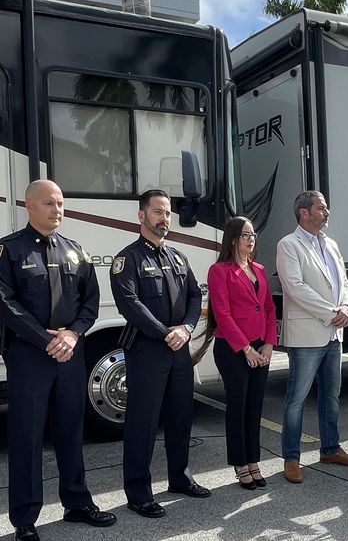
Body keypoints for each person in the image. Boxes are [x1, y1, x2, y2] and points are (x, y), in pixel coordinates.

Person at [0, 180, 116, 541]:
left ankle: (77, 502)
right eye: (49, 203)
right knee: (27, 437)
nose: (57, 210)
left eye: (61, 203)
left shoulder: (75, 251)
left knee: (70, 432)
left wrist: (73, 334)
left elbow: (90, 302)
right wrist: (45, 338)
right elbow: (4, 302)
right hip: (28, 357)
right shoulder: (9, 250)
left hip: (69, 355)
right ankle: (24, 518)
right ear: (29, 206)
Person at [111, 189, 209, 519]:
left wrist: (187, 328)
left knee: (181, 417)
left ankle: (180, 479)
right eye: (157, 212)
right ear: (142, 216)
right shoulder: (128, 259)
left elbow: (194, 295)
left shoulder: (178, 257)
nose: (164, 218)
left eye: (167, 213)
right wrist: (167, 333)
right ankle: (138, 493)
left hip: (179, 350)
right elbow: (130, 305)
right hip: (147, 351)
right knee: (143, 423)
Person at [276, 191, 348, 484]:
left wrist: (347, 307)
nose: (327, 212)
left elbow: (344, 282)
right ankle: (291, 458)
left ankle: (330, 449)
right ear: (304, 212)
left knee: (331, 395)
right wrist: (332, 312)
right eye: (321, 207)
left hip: (334, 333)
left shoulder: (331, 244)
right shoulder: (289, 244)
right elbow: (295, 287)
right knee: (296, 399)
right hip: (307, 335)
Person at [208, 216, 278, 490]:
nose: (251, 239)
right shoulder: (220, 271)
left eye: (253, 235)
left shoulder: (259, 268)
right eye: (246, 235)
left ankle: (253, 460)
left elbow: (269, 309)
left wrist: (269, 343)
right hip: (233, 348)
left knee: (255, 406)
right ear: (233, 238)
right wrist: (246, 349)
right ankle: (240, 463)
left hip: (260, 347)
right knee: (238, 406)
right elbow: (222, 314)